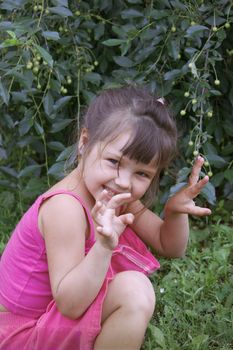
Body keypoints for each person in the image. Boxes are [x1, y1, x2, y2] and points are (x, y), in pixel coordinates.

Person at [0, 86, 211, 350]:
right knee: (134, 292)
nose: (124, 182)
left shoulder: (116, 195)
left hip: (51, 321)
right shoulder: (65, 208)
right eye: (113, 161)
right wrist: (103, 247)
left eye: (142, 174)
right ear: (84, 142)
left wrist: (174, 212)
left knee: (135, 290)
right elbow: (70, 304)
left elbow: (169, 245)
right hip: (23, 334)